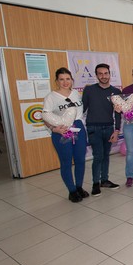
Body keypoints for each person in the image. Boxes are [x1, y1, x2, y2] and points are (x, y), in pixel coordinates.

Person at [43, 68, 88, 202]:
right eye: (61, 79)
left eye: (67, 79)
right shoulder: (51, 97)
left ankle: (79, 187)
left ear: (72, 80)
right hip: (62, 132)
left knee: (80, 160)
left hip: (78, 128)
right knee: (66, 162)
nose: (65, 82)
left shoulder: (76, 94)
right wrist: (53, 128)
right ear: (56, 81)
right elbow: (45, 116)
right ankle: (72, 191)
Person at [82, 63, 121, 196]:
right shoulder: (89, 90)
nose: (103, 76)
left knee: (106, 156)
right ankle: (95, 183)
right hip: (93, 127)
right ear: (96, 75)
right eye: (100, 74)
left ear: (110, 74)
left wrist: (116, 131)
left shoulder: (116, 92)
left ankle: (104, 180)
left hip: (109, 127)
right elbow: (82, 109)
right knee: (98, 156)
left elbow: (118, 113)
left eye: (106, 73)